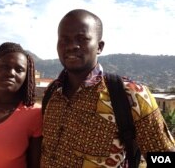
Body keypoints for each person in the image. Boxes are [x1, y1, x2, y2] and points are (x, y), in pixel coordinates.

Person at [40, 9, 175, 167]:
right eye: (64, 39)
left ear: (99, 46)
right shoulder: (52, 93)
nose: (71, 46)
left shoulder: (131, 95)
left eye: (82, 38)